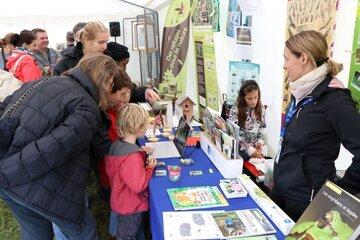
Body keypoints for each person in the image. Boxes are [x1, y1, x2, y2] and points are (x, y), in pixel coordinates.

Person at [0, 53, 118, 239]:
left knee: (35, 232)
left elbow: (5, 111)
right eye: (111, 84)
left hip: (11, 180)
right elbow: (50, 151)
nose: (110, 89)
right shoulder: (86, 107)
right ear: (103, 80)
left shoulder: (43, 82)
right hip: (26, 179)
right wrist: (6, 172)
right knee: (84, 231)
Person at [271, 30, 360, 221]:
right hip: (282, 189)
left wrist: (343, 191)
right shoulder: (302, 91)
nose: (284, 65)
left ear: (303, 58)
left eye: (287, 59)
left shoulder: (335, 101)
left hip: (306, 201)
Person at [105, 103, 156, 240]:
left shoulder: (117, 146)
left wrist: (141, 154)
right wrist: (150, 168)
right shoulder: (132, 157)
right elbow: (138, 185)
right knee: (127, 235)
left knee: (127, 232)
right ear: (139, 128)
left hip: (120, 201)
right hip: (131, 207)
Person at [227, 80, 267, 160]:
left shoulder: (261, 109)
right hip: (240, 151)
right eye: (249, 98)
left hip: (255, 150)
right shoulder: (236, 110)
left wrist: (260, 141)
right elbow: (233, 133)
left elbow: (262, 127)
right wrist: (248, 148)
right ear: (243, 97)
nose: (253, 101)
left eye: (256, 97)